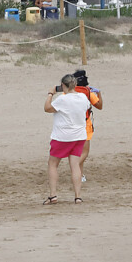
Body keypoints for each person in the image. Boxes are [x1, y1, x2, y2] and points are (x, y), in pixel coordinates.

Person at [44, 74, 91, 204]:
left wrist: (50, 93)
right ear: (75, 85)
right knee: (75, 165)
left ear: (63, 85)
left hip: (63, 136)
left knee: (53, 164)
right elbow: (86, 106)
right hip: (79, 135)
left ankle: (53, 195)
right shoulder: (82, 97)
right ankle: (78, 196)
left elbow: (47, 108)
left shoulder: (62, 99)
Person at [72, 68, 103, 182]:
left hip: (71, 124)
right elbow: (99, 106)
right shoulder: (88, 92)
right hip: (84, 125)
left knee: (77, 151)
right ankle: (74, 167)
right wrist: (98, 93)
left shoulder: (69, 92)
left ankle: (80, 175)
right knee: (84, 152)